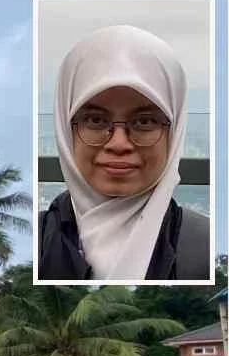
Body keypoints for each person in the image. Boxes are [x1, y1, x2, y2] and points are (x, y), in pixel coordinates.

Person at [38, 24, 209, 281]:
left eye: (144, 122)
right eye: (95, 120)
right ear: (65, 127)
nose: (119, 144)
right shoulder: (37, 241)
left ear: (174, 134)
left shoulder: (202, 246)